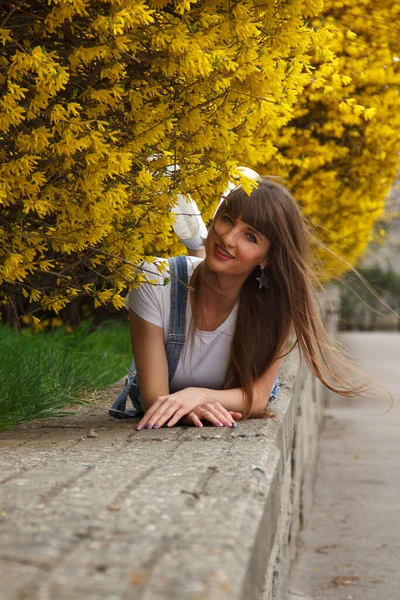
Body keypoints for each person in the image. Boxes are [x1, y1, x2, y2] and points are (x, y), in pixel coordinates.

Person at [120, 176, 369, 432]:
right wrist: (195, 407)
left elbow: (257, 398)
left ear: (268, 258)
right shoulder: (153, 280)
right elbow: (153, 398)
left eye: (250, 236)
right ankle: (197, 251)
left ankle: (198, 250)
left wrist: (199, 395)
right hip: (180, 287)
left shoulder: (274, 307)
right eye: (227, 219)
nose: (228, 237)